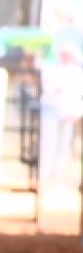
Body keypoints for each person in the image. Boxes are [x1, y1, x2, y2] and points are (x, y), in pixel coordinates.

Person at [39, 42, 83, 187]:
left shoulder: (77, 72)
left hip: (69, 111)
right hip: (51, 109)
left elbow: (78, 94)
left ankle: (58, 174)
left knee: (64, 143)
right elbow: (50, 90)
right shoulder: (51, 69)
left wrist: (77, 111)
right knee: (48, 142)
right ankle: (44, 173)